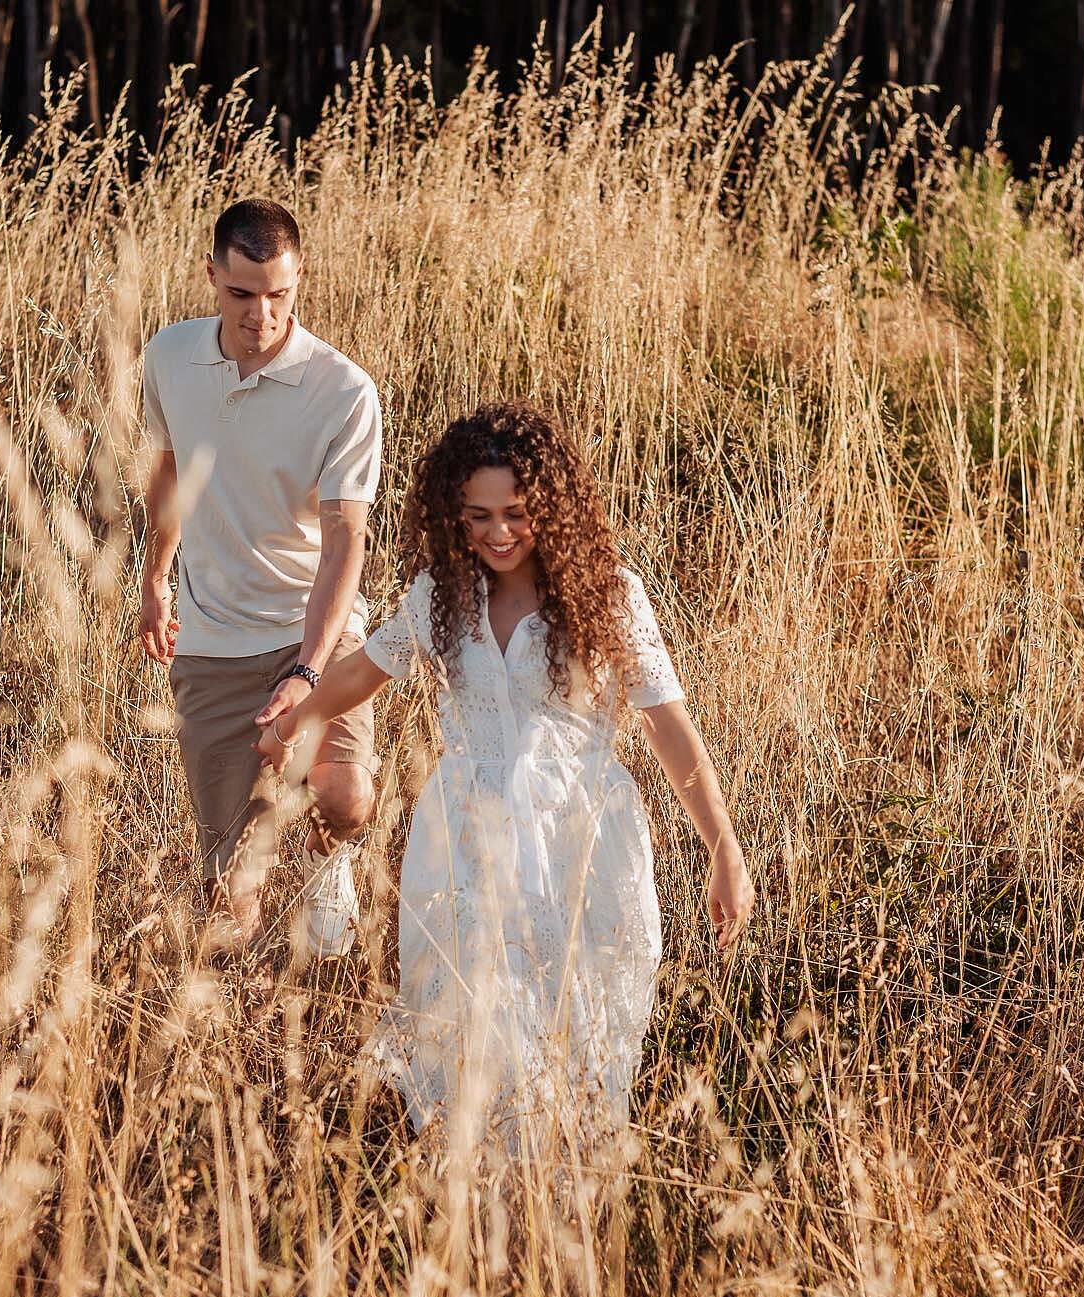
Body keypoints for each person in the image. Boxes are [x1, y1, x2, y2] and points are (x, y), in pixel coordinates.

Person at [256, 401, 753, 1155]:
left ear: (550, 506)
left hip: (580, 841)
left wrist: (723, 846)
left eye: (517, 513)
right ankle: (478, 1206)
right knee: (474, 1030)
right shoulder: (441, 597)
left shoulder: (610, 597)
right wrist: (296, 716)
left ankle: (565, 1212)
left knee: (577, 1033)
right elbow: (367, 667)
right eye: (478, 514)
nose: (497, 533)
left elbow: (668, 728)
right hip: (467, 839)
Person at [138, 198, 382, 956]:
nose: (261, 314)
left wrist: (311, 667)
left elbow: (346, 536)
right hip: (213, 641)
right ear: (211, 276)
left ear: (299, 276)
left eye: (279, 294)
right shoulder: (169, 358)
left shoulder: (344, 390)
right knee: (228, 904)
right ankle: (237, 1031)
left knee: (343, 795)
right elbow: (169, 470)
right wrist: (154, 577)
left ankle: (327, 858)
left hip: (316, 625)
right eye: (241, 294)